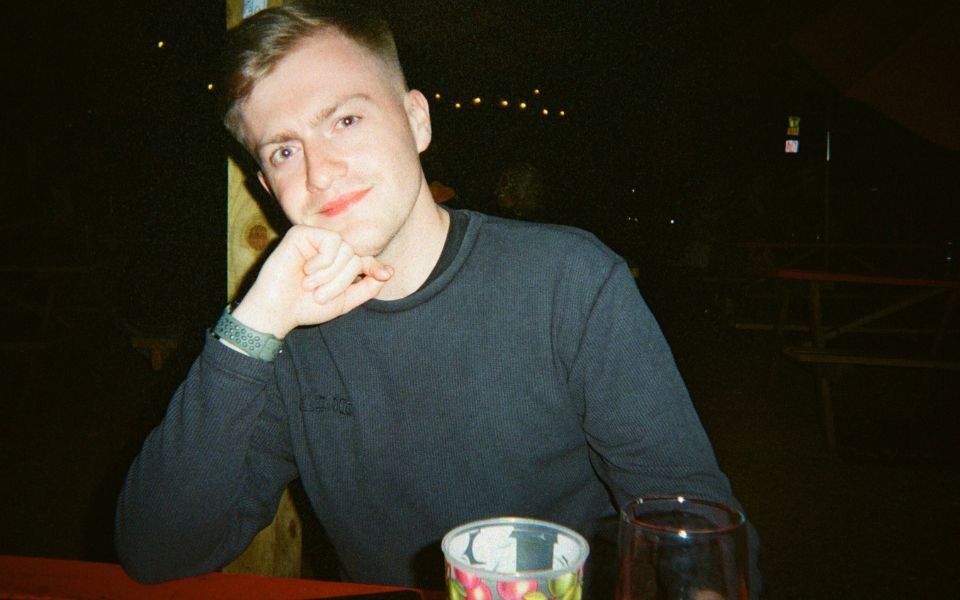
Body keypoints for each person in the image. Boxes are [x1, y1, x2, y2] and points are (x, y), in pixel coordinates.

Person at [114, 1, 759, 595]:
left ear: (417, 119)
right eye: (285, 150)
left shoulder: (571, 283)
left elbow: (699, 528)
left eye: (344, 119)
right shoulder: (288, 332)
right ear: (263, 183)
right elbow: (157, 549)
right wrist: (253, 323)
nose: (319, 171)